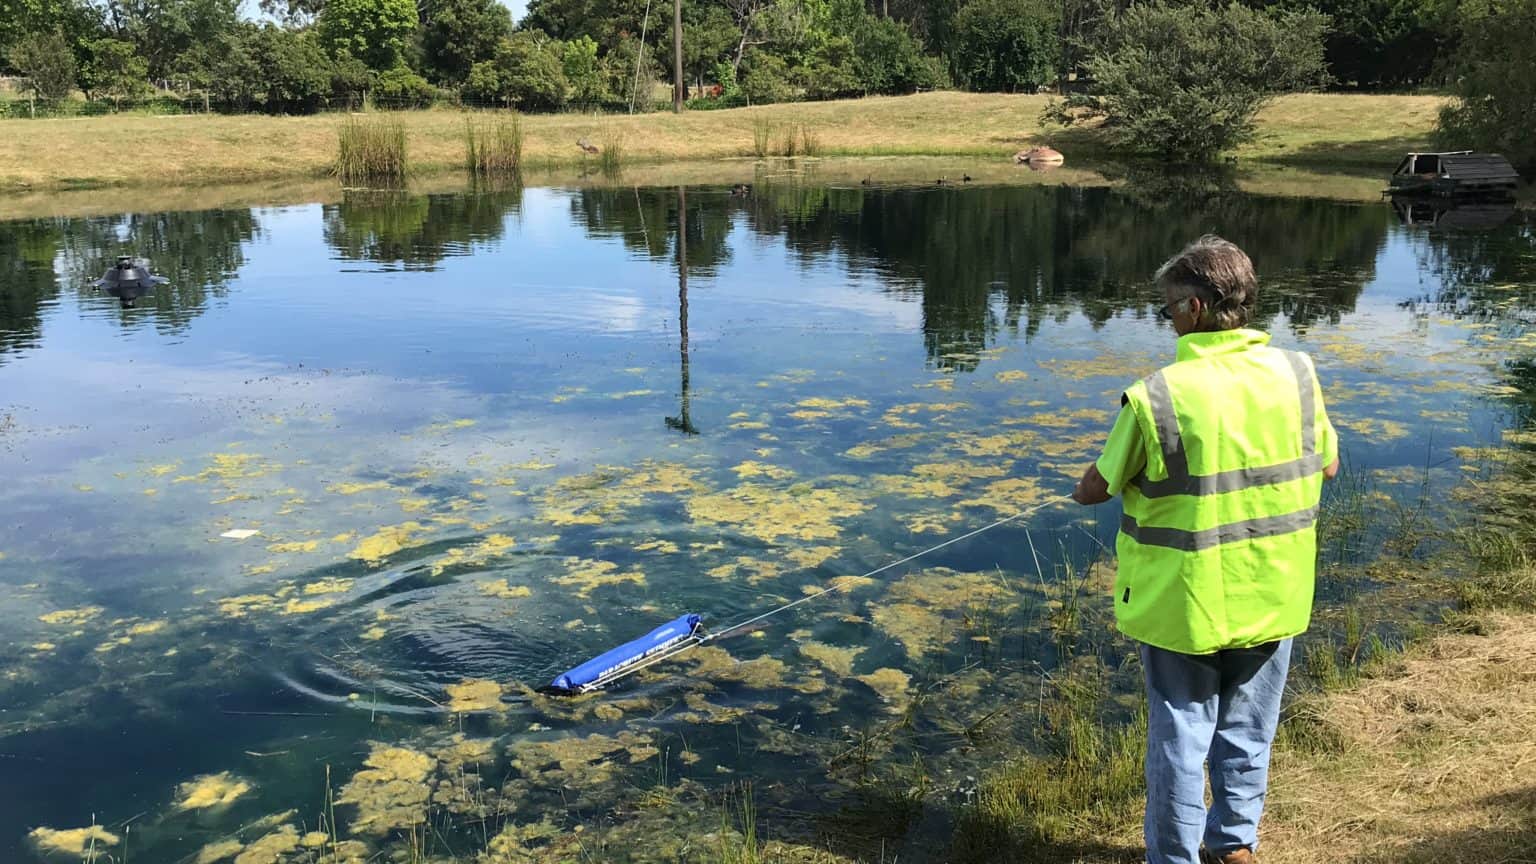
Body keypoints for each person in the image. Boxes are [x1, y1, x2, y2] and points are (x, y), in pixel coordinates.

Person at [1071, 236, 1340, 864]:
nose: (1167, 322)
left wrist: (1083, 484)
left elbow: (1097, 487)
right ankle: (1235, 846)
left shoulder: (1161, 393)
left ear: (1193, 309)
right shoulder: (1297, 373)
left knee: (1180, 737)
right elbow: (1326, 467)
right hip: (1273, 588)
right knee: (1249, 730)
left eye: (1167, 310)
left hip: (1184, 602)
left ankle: (1173, 857)